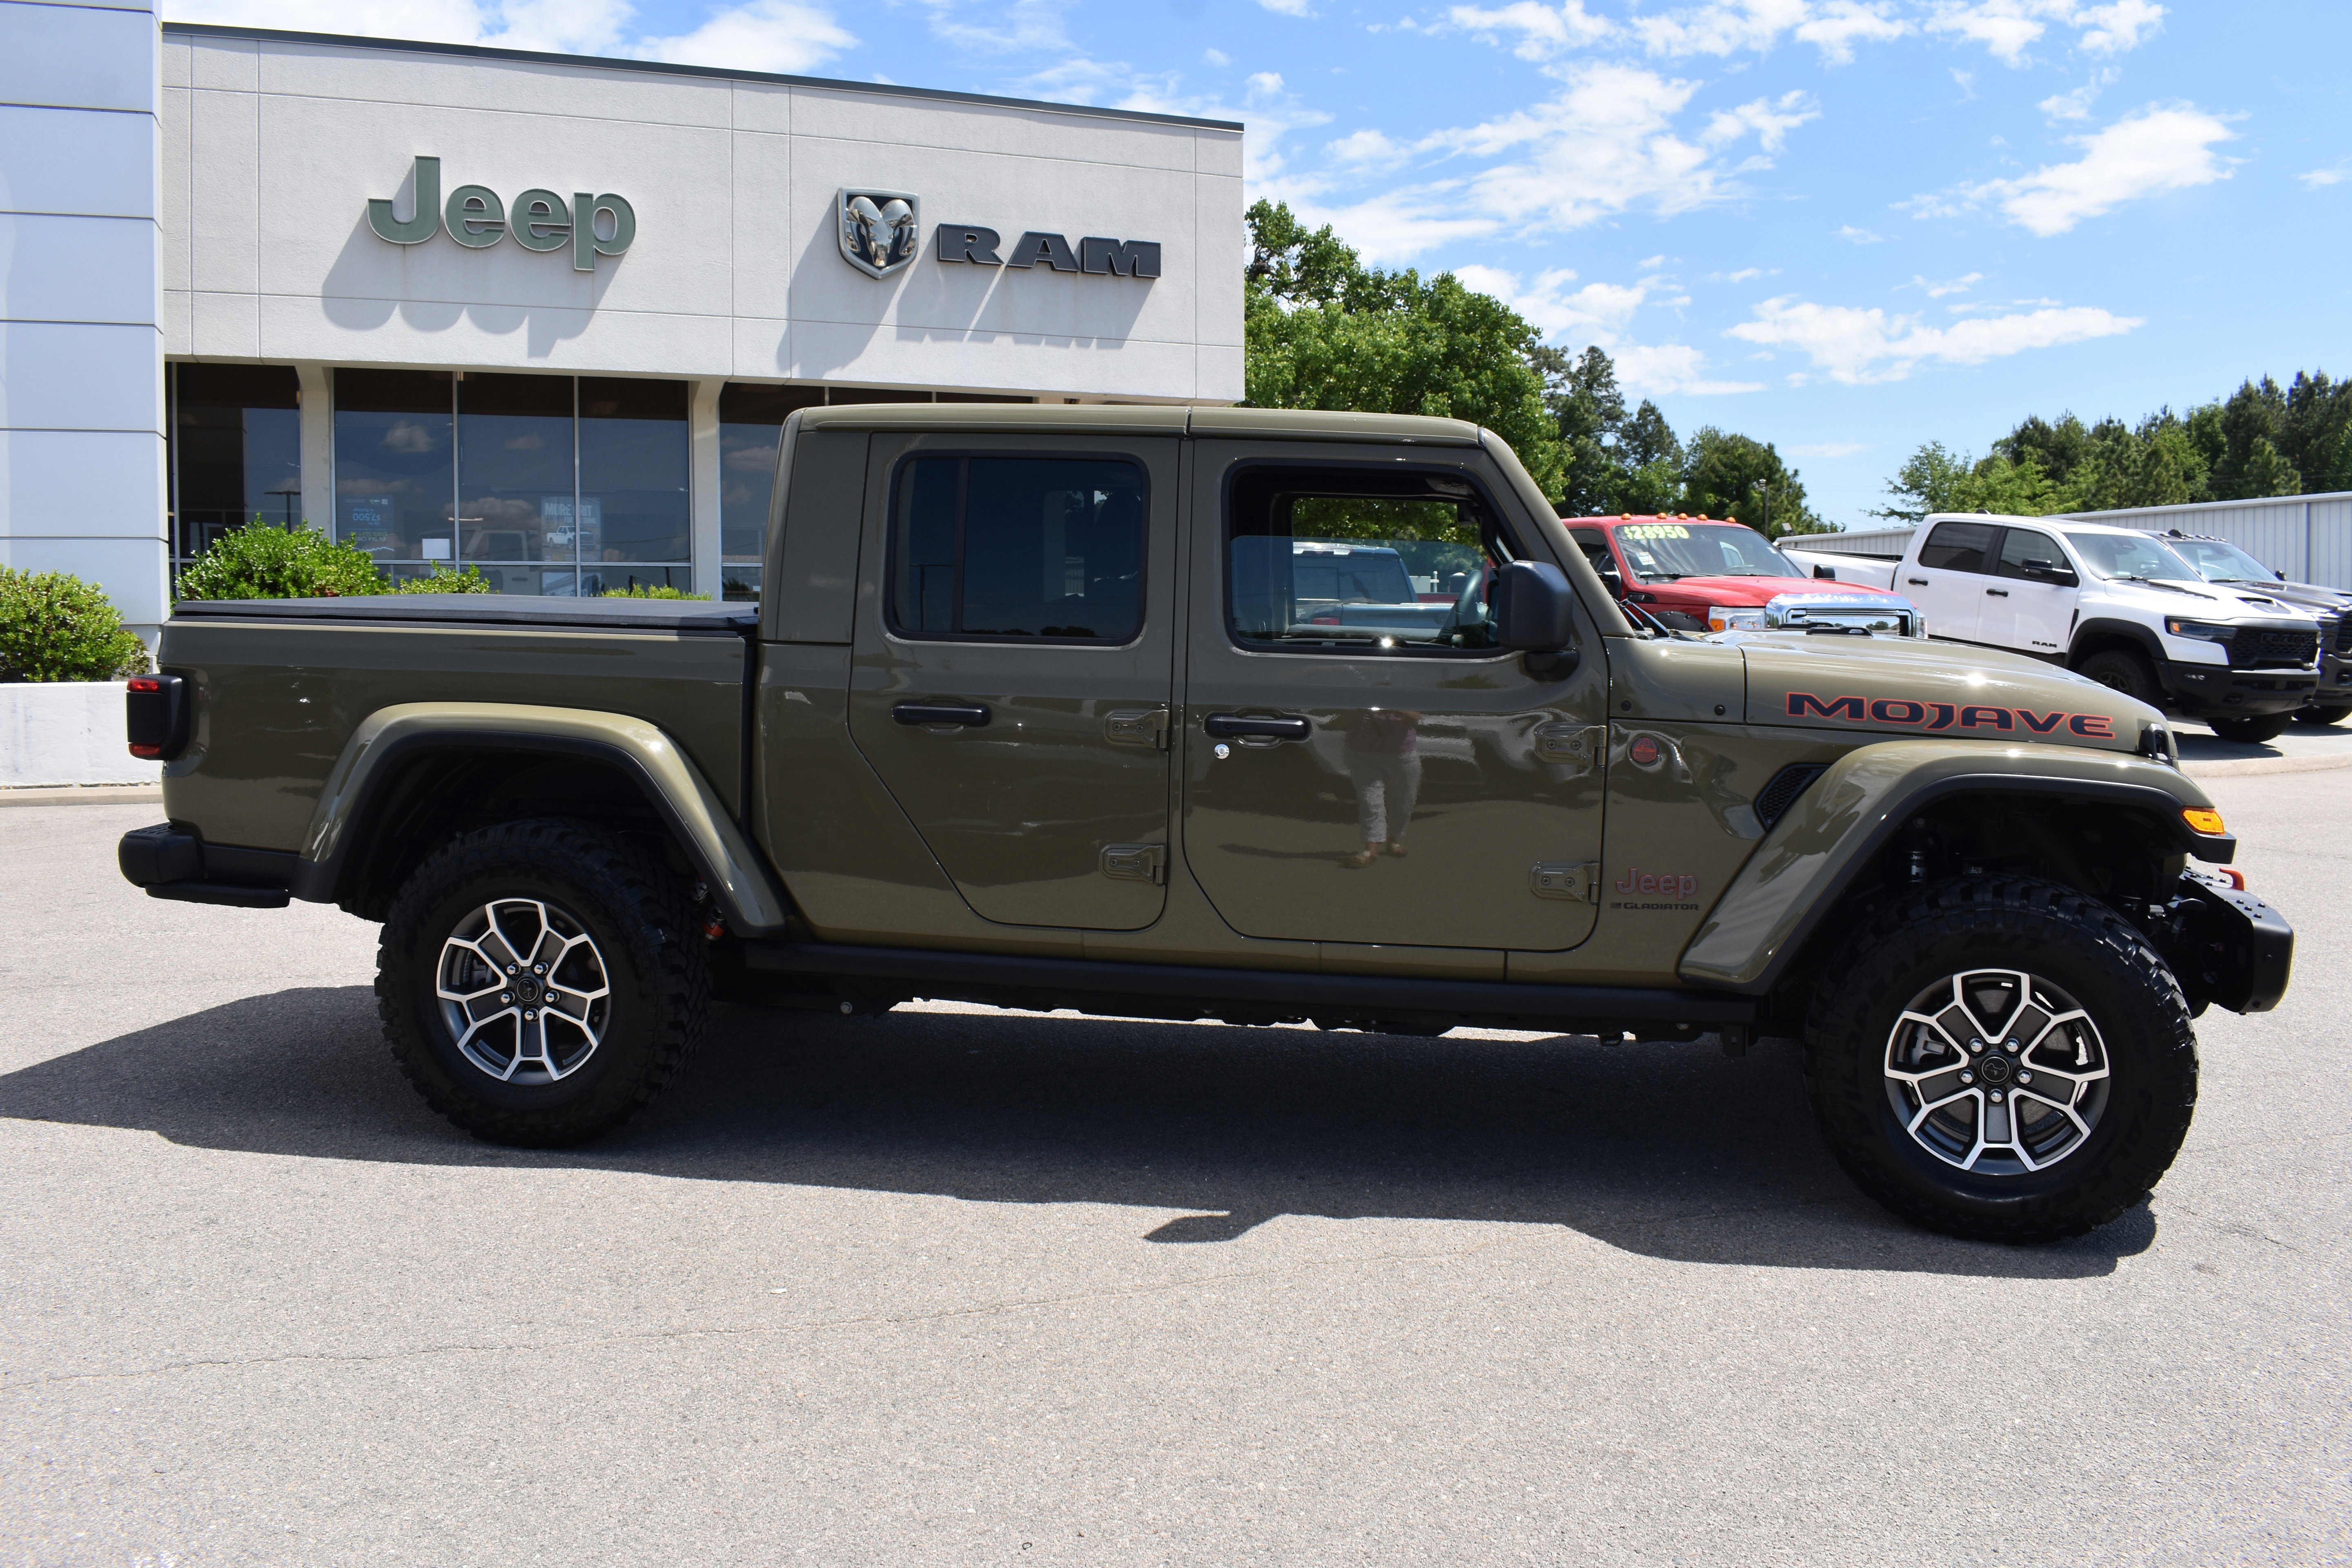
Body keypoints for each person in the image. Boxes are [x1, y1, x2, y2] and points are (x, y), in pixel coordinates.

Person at [1339, 706, 1422, 867]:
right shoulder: (1360, 698)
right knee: (1370, 802)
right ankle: (1370, 849)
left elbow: (1416, 717)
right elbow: (1338, 723)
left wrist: (1393, 708)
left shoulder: (1404, 695)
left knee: (1404, 800)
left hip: (1402, 756)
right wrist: (1361, 708)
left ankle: (1393, 840)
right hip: (1362, 756)